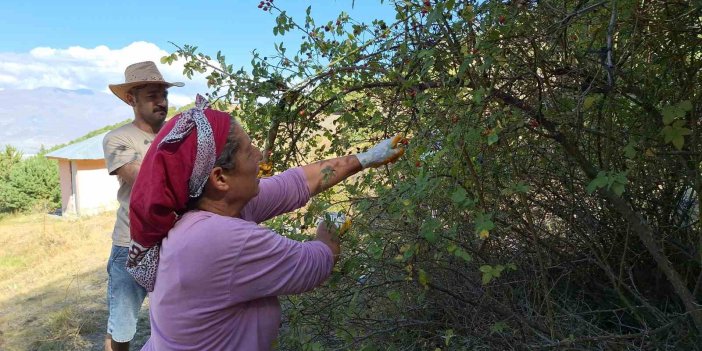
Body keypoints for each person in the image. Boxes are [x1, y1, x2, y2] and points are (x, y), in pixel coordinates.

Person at [127, 95, 405, 350]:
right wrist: (328, 231)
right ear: (220, 178)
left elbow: (296, 183)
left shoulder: (215, 209)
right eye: (249, 152)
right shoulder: (219, 238)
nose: (259, 155)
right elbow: (314, 264)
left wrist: (366, 158)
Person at [102, 61, 184, 351]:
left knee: (177, 319)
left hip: (175, 241)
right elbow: (145, 181)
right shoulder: (118, 139)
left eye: (163, 94)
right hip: (131, 245)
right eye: (152, 95)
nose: (161, 102)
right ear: (131, 99)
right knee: (122, 328)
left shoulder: (179, 134)